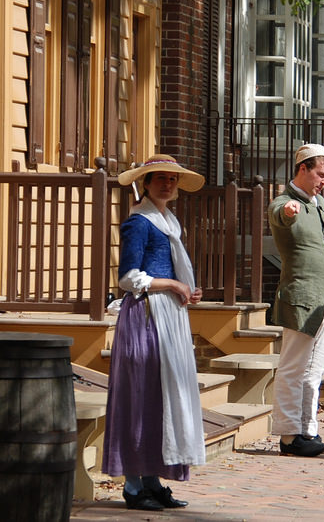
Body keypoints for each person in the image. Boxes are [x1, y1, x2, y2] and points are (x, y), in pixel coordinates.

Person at [103, 155, 207, 511]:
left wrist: (186, 289)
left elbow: (171, 271)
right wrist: (174, 285)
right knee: (141, 398)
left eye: (172, 180)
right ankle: (134, 487)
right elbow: (129, 278)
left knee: (162, 399)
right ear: (145, 183)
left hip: (168, 317)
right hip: (146, 318)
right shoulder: (139, 222)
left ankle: (153, 480)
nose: (167, 184)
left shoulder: (169, 223)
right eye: (159, 179)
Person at [269, 143, 324, 457]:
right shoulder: (284, 201)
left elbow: (320, 239)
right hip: (301, 298)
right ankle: (288, 436)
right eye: (320, 175)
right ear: (303, 168)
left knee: (315, 370)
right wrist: (288, 212)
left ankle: (308, 432)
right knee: (293, 368)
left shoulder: (318, 203)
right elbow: (281, 216)